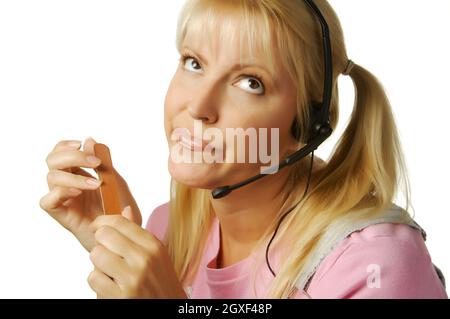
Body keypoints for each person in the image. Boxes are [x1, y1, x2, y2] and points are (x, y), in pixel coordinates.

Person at [39, 0, 447, 298]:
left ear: (307, 123)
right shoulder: (171, 230)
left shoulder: (378, 264)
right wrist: (115, 243)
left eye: (250, 82)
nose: (198, 106)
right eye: (194, 62)